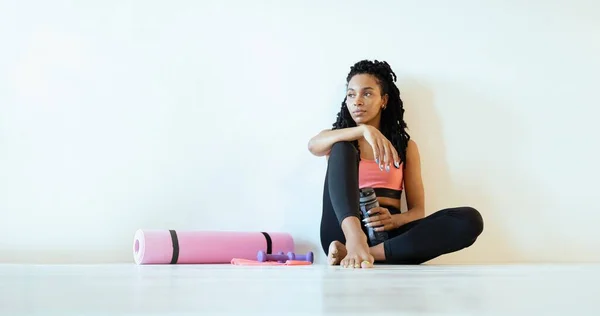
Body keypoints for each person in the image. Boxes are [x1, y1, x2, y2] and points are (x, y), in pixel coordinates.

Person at [307, 60, 484, 268]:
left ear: (384, 100)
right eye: (351, 94)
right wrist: (364, 130)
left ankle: (365, 253)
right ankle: (355, 242)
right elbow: (313, 145)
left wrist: (395, 220)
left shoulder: (405, 148)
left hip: (388, 237)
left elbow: (418, 210)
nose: (357, 101)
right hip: (343, 231)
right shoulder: (339, 142)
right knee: (342, 147)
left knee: (470, 220)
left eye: (367, 93)